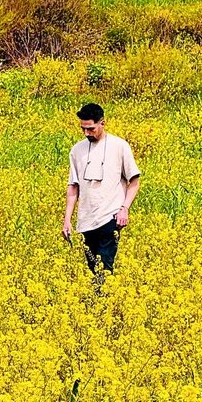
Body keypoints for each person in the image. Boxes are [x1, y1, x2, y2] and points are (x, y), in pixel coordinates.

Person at [63, 103, 140, 275]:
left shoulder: (120, 146)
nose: (86, 133)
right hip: (86, 220)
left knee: (104, 267)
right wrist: (67, 220)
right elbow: (73, 187)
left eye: (90, 129)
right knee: (92, 268)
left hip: (110, 217)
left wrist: (124, 209)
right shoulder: (76, 150)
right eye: (83, 129)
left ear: (102, 123)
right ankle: (97, 299)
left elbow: (134, 180)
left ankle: (105, 299)